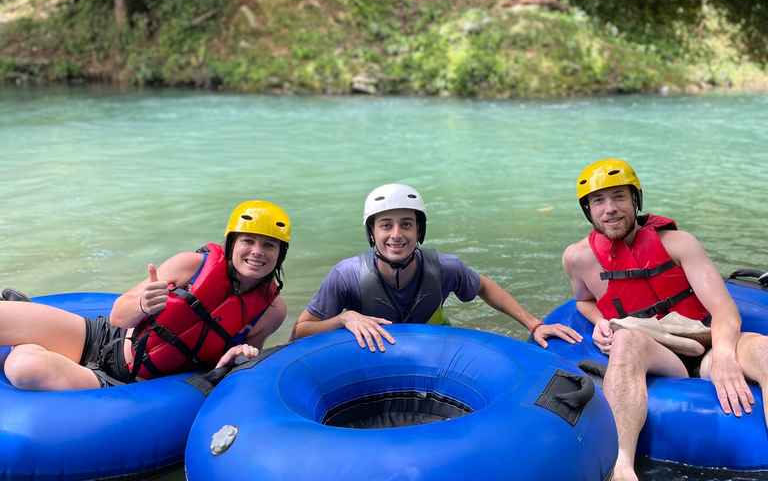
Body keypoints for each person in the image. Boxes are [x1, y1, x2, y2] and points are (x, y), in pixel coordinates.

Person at [562, 159, 768, 481]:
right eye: (598, 201)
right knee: (626, 340)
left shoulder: (679, 243)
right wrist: (601, 320)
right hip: (659, 354)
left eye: (619, 197)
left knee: (766, 353)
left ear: (635, 200)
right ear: (588, 209)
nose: (610, 209)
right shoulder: (577, 259)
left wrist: (726, 356)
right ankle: (621, 468)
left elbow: (725, 310)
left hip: (707, 345)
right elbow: (583, 300)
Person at [0, 201, 290, 391]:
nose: (256, 252)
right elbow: (119, 315)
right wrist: (142, 303)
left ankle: (28, 344)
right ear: (231, 244)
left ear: (280, 255)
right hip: (106, 337)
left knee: (24, 368)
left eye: (269, 246)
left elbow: (237, 361)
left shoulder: (272, 311)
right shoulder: (191, 264)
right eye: (248, 241)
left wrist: (242, 354)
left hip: (120, 381)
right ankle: (31, 332)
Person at [292, 183, 582, 352]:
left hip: (435, 351)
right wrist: (345, 319)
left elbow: (483, 286)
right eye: (386, 225)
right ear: (372, 233)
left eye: (407, 224)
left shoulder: (445, 268)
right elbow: (300, 331)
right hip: (371, 359)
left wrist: (536, 324)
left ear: (420, 231)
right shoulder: (346, 275)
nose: (396, 234)